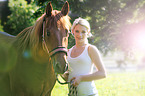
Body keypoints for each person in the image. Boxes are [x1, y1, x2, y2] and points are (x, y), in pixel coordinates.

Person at [64, 17, 107, 96]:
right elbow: (68, 77)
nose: (79, 35)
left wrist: (81, 78)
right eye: (77, 31)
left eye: (83, 32)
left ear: (88, 32)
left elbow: (102, 73)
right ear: (72, 31)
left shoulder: (90, 49)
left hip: (89, 94)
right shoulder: (68, 52)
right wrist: (63, 75)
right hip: (72, 94)